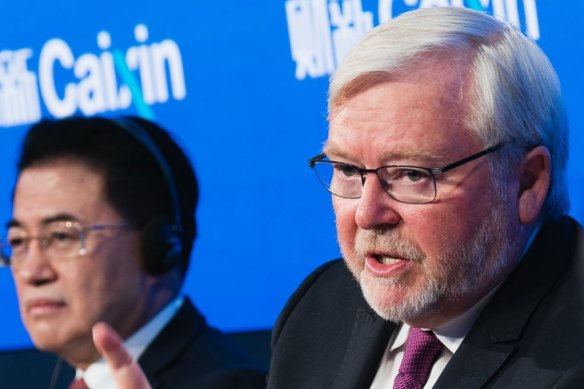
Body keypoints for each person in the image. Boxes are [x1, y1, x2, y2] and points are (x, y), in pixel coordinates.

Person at [267, 6, 584, 389]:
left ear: (526, 183)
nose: (368, 215)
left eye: (412, 174)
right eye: (348, 170)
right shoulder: (318, 309)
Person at [2, 116, 266, 388]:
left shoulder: (231, 384)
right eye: (19, 241)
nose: (32, 272)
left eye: (61, 236)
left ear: (160, 248)